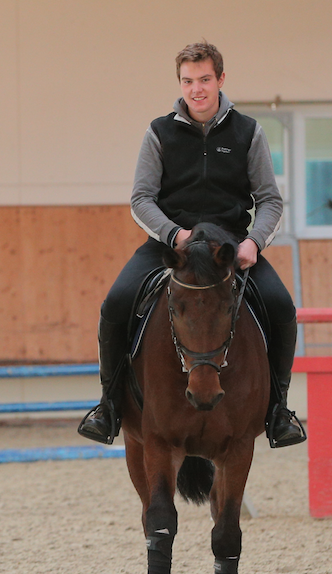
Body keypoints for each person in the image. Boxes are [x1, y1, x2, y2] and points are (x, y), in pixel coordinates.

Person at [78, 41, 305, 449]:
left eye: (204, 79)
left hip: (229, 250)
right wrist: (174, 235)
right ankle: (108, 405)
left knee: (281, 307)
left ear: (220, 79)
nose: (196, 89)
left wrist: (253, 242)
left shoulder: (248, 132)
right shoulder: (159, 131)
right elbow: (141, 198)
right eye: (188, 81)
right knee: (115, 303)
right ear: (179, 83)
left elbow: (270, 199)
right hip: (172, 246)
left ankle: (279, 411)